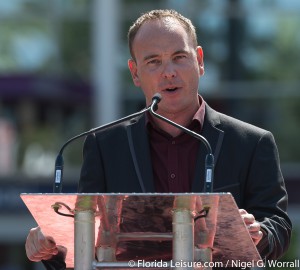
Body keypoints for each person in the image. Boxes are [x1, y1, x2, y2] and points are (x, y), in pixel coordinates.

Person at [25, 9, 292, 269]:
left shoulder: (252, 143)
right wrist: (51, 246)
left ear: (199, 60)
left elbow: (278, 227)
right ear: (135, 73)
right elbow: (85, 235)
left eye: (179, 57)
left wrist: (259, 232)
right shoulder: (104, 145)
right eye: (154, 61)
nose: (169, 72)